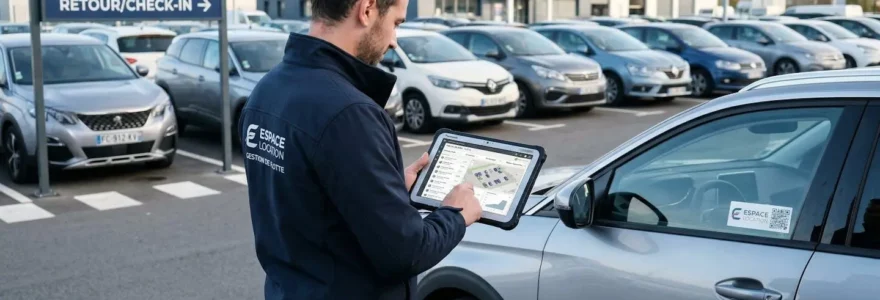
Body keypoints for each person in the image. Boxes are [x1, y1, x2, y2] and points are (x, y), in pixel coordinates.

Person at [237, 0, 484, 297]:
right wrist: (455, 214)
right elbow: (405, 252)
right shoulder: (349, 112)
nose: (394, 41)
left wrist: (387, 186)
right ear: (366, 9)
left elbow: (306, 199)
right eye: (396, 23)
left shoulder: (269, 88)